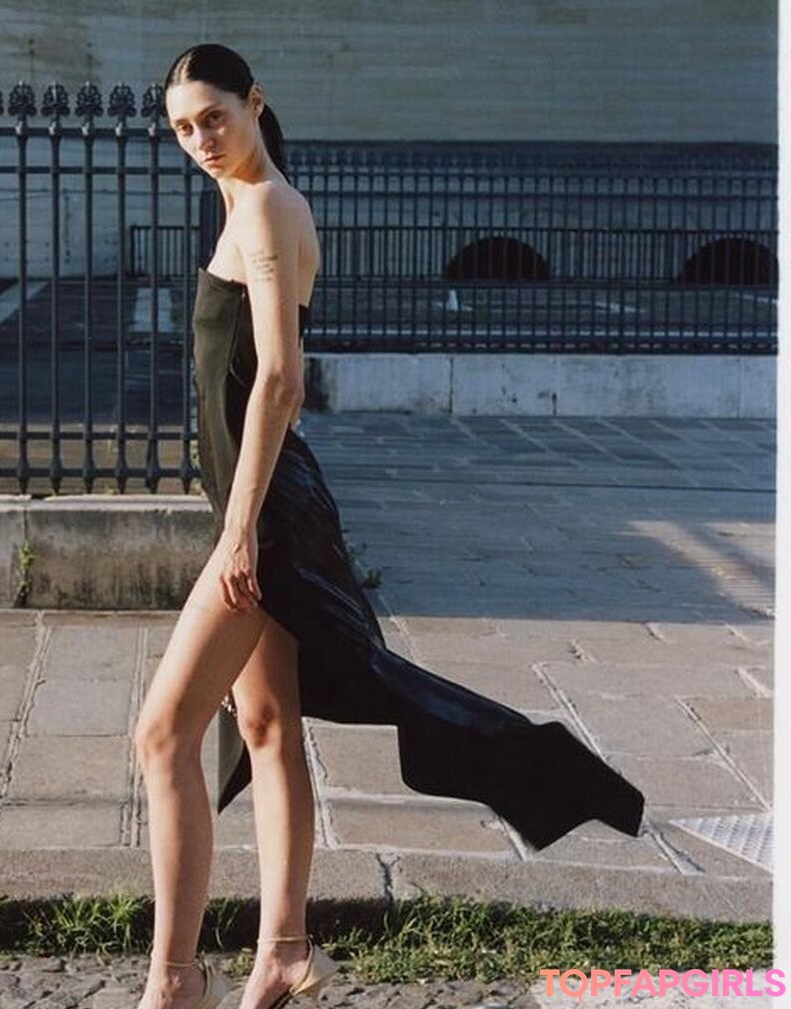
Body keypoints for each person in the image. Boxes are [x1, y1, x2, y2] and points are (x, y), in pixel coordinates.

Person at [133, 42, 645, 1009]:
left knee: (162, 733)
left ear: (255, 102)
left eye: (214, 117)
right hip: (257, 503)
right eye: (184, 127)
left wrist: (239, 531)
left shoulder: (268, 205)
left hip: (265, 514)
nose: (200, 138)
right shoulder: (245, 201)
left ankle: (174, 981)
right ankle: (285, 952)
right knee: (267, 724)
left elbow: (279, 378)